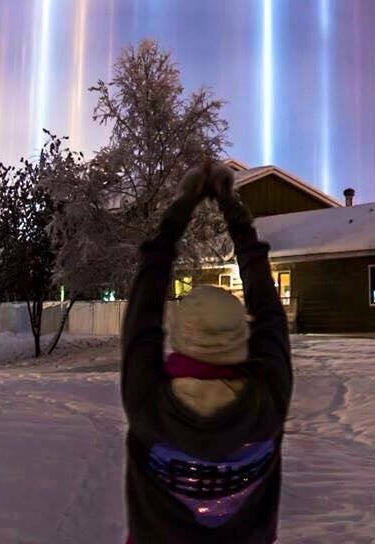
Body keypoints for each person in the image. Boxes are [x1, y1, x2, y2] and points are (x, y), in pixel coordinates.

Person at [120, 160, 293, 543]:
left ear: (180, 334)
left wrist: (182, 205)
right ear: (241, 335)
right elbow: (267, 304)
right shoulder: (267, 400)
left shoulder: (148, 403)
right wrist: (232, 207)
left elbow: (146, 296)